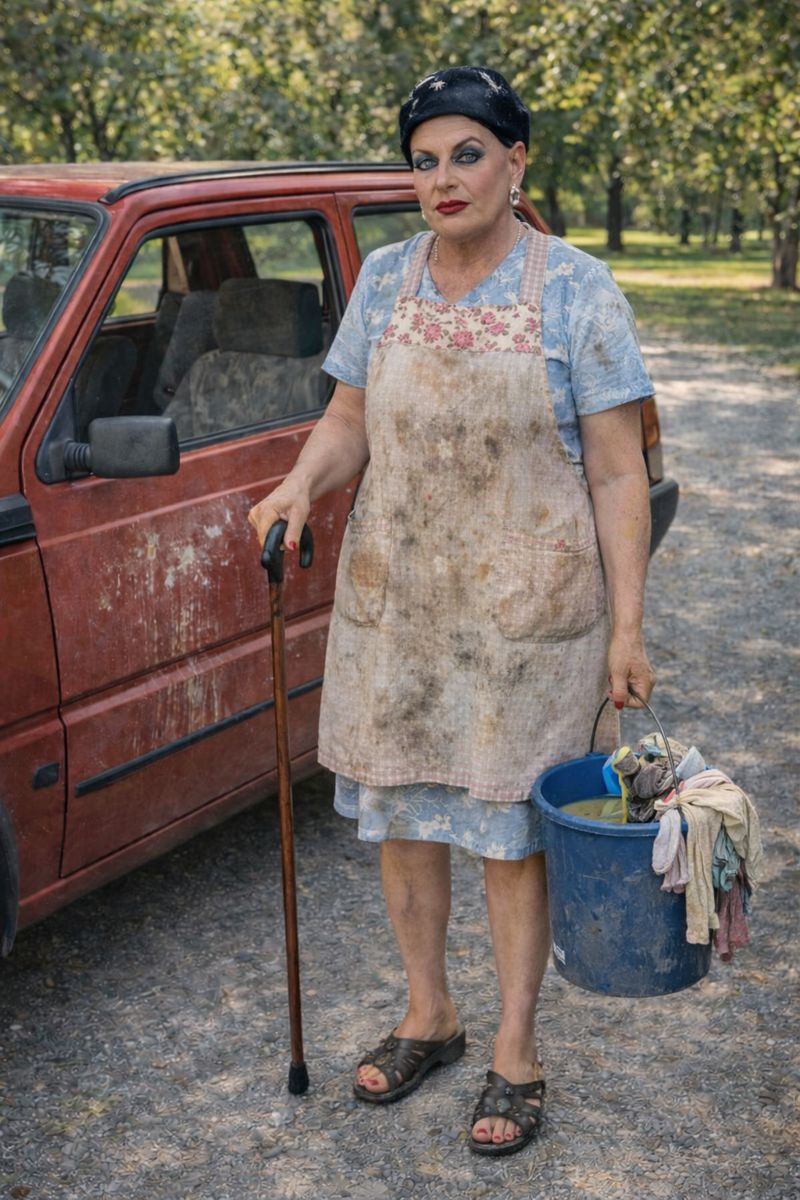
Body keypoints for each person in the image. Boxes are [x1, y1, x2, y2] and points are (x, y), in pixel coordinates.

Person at [248, 65, 655, 1157]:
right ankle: (428, 1011)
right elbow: (348, 420)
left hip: (530, 617)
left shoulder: (576, 290)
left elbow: (618, 472)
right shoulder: (385, 279)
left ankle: (516, 1048)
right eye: (424, 162)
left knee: (509, 835)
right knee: (402, 815)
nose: (444, 179)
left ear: (515, 163)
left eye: (466, 154)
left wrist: (626, 627)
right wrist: (299, 485)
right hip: (402, 609)